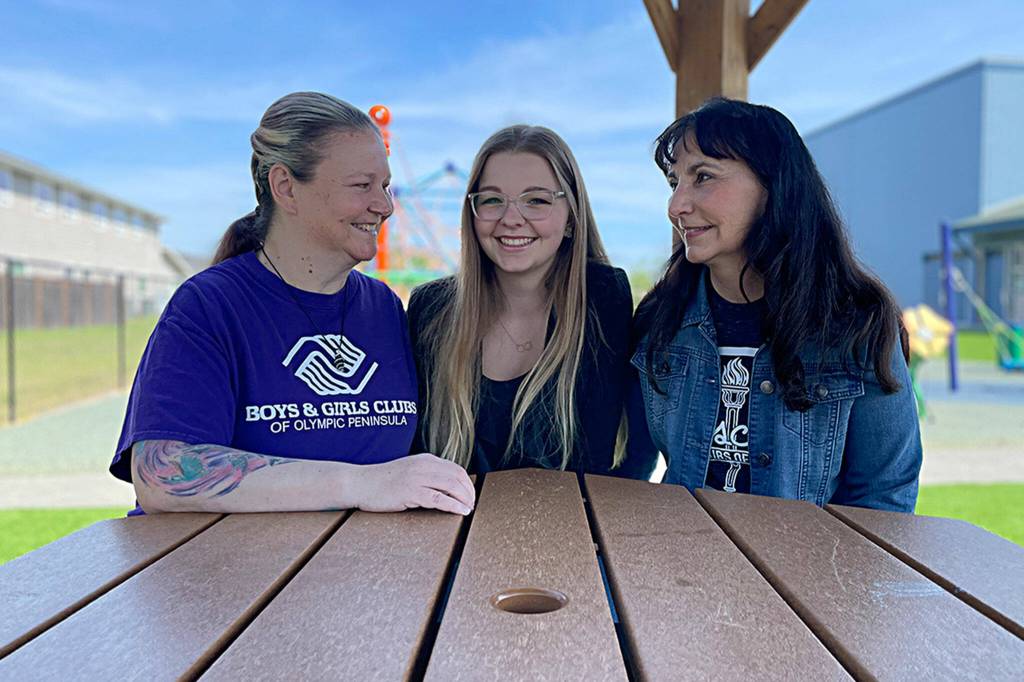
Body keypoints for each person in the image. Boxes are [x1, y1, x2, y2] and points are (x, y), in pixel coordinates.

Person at [110, 92, 474, 515]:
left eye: (386, 186)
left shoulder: (383, 309)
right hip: (236, 576)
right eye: (362, 185)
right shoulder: (210, 306)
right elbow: (162, 474)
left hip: (361, 573)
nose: (385, 206)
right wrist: (359, 483)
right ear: (285, 187)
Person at [632, 98, 922, 512]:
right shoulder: (659, 317)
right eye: (675, 182)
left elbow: (884, 496)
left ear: (773, 188)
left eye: (703, 177)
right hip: (679, 566)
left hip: (808, 572)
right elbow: (629, 471)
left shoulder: (858, 321)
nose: (676, 205)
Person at [409, 125, 655, 479]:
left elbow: (602, 454)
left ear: (571, 217)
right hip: (452, 529)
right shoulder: (431, 309)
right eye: (492, 200)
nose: (511, 219)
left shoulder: (601, 296)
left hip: (570, 525)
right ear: (473, 212)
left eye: (536, 200)